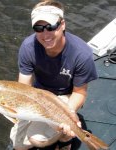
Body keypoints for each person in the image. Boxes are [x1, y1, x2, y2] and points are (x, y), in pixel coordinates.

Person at [10, 0, 98, 150]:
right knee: (19, 145)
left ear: (62, 24)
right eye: (39, 28)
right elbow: (23, 88)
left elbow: (79, 92)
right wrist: (2, 105)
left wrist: (68, 114)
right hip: (39, 95)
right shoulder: (28, 47)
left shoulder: (82, 54)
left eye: (51, 26)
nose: (45, 34)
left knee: (37, 140)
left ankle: (66, 140)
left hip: (67, 95)